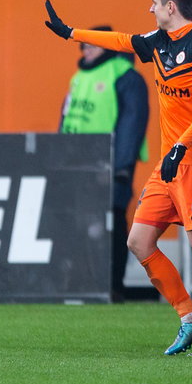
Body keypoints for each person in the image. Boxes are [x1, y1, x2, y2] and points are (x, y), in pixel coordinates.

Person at [44, 0, 192, 356]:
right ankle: (189, 318)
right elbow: (120, 41)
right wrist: (71, 34)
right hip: (170, 163)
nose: (148, 8)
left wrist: (182, 146)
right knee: (139, 240)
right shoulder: (158, 41)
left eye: (154, 2)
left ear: (170, 7)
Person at [60, 26, 149, 302]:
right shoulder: (79, 77)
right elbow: (67, 117)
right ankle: (83, 285)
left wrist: (120, 167)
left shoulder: (125, 77)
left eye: (90, 45)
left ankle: (112, 286)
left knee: (110, 224)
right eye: (83, 46)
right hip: (78, 165)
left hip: (109, 166)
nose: (84, 51)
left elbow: (131, 124)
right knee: (79, 224)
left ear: (105, 47)